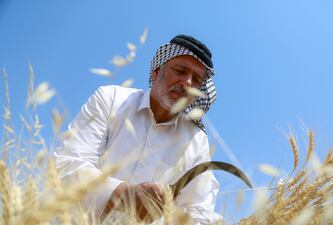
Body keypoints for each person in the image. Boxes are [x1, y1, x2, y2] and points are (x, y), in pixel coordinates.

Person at [54, 34, 220, 224]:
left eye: (197, 80)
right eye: (181, 71)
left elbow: (200, 211)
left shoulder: (197, 140)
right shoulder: (111, 99)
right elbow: (67, 165)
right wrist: (124, 195)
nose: (188, 83)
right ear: (156, 72)